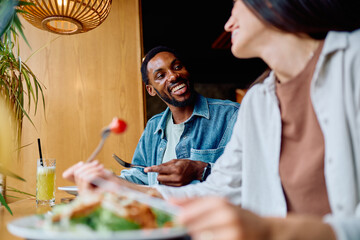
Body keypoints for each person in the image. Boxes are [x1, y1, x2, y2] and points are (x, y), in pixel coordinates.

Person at [64, 0, 360, 239]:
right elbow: (218, 189)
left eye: (235, 5)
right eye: (160, 75)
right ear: (150, 89)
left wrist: (271, 231)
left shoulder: (354, 62)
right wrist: (118, 188)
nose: (228, 23)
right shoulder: (258, 101)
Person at [64, 46, 239, 188]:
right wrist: (104, 180)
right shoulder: (153, 127)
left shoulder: (231, 115)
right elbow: (140, 175)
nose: (173, 76)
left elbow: (252, 173)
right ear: (151, 90)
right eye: (160, 76)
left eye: (177, 67)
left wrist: (200, 170)